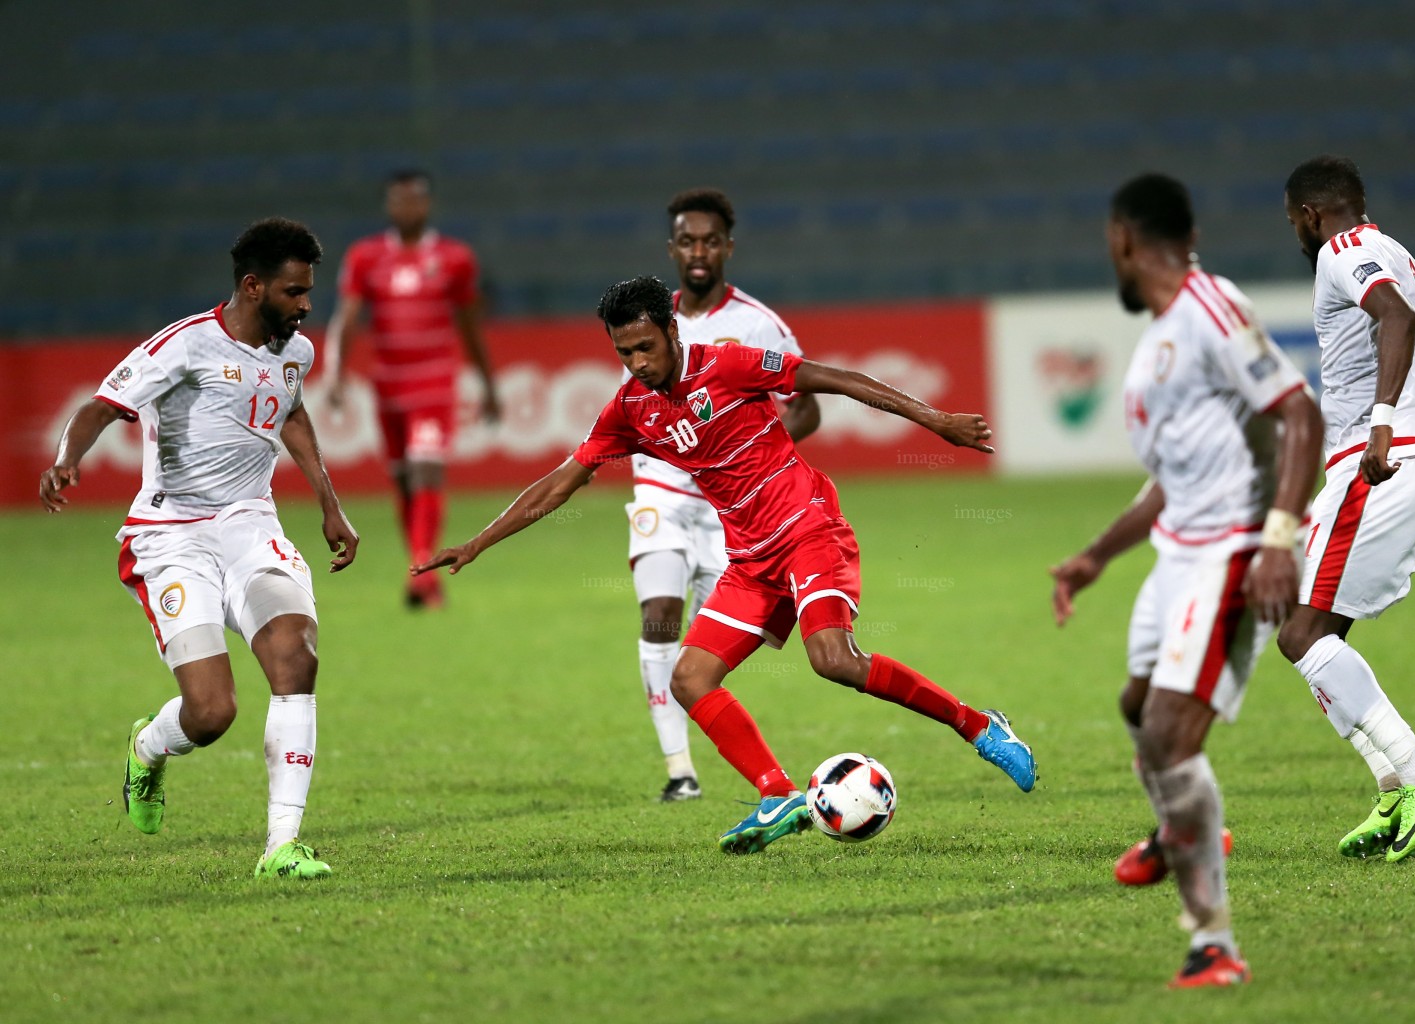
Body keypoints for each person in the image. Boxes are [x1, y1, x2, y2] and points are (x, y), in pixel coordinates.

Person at [416, 275, 1037, 854]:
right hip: (749, 558)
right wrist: (476, 542)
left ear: (672, 332)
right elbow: (559, 484)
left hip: (809, 528)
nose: (637, 363)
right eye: (624, 352)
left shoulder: (730, 365)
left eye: (645, 347)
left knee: (833, 660)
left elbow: (832, 378)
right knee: (687, 678)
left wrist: (934, 420)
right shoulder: (631, 408)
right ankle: (776, 794)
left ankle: (980, 726)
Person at [1050, 175, 1322, 988]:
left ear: (1124, 242)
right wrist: (1098, 554)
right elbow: (1172, 476)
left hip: (1234, 551)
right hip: (1178, 552)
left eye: (1110, 247)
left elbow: (1299, 412)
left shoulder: (1210, 307)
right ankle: (1177, 833)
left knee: (1171, 735)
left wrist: (1279, 541)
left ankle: (1214, 944)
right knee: (1139, 708)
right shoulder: (1165, 334)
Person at [39, 217, 360, 880]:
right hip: (173, 536)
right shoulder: (183, 346)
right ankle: (149, 749)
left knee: (296, 661)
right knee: (212, 713)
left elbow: (291, 412)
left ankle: (281, 845)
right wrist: (68, 458)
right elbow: (102, 404)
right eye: (294, 292)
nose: (306, 304)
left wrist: (329, 500)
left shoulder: (294, 351)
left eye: (308, 291)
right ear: (252, 286)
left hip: (250, 527)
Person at [1277, 155, 1415, 863]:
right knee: (1302, 626)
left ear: (1308, 214)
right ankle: (1390, 782)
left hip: (1379, 462)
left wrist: (1388, 425)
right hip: (1412, 466)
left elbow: (1389, 317)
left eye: (1294, 221)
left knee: (1301, 633)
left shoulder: (1343, 250)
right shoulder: (1407, 260)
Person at [629, 188, 820, 803]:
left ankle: (749, 770)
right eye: (688, 240)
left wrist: (745, 456)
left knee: (710, 650)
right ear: (672, 249)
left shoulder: (758, 324)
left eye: (711, 240)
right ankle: (680, 770)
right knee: (658, 613)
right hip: (660, 489)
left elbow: (807, 407)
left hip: (729, 509)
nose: (699, 251)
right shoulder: (651, 319)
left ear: (729, 248)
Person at [324, 169, 499, 608]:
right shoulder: (365, 257)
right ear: (389, 206)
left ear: (427, 204)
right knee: (403, 482)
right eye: (399, 200)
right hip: (388, 388)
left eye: (415, 199)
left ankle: (419, 574)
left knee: (426, 470)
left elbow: (471, 325)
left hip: (434, 383)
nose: (407, 208)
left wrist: (488, 383)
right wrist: (336, 373)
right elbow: (347, 317)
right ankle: (422, 565)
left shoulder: (455, 258)